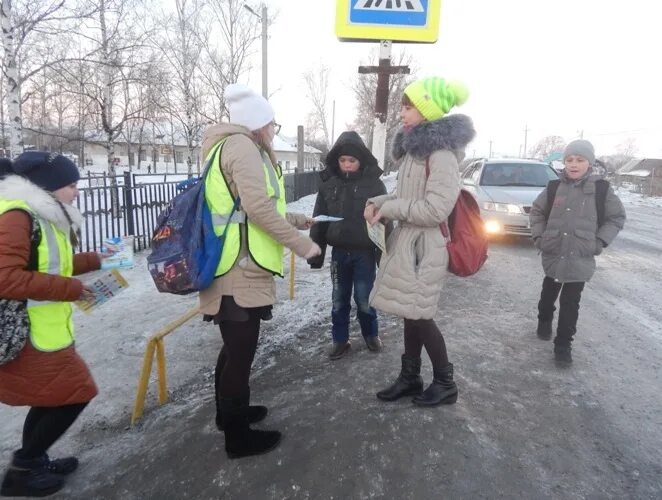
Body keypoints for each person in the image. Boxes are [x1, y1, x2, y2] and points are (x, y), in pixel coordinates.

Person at [199, 84, 321, 459]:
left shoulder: (226, 146)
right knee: (241, 352)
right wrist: (306, 247)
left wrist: (300, 220)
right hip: (240, 266)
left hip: (234, 263)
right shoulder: (243, 148)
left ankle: (228, 415)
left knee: (234, 349)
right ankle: (237, 437)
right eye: (271, 123)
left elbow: (249, 207)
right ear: (257, 124)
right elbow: (258, 211)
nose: (273, 130)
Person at [364, 77, 475, 407]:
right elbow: (407, 196)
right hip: (409, 241)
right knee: (410, 313)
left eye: (409, 106)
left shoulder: (440, 155)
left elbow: (436, 208)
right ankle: (410, 377)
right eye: (402, 105)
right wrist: (378, 202)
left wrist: (390, 207)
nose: (402, 112)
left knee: (421, 315)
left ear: (428, 109)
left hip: (425, 247)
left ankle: (445, 382)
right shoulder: (416, 152)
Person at [0, 152, 101, 497]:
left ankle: (34, 459)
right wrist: (72, 289)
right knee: (77, 393)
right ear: (48, 186)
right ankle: (22, 469)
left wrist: (97, 259)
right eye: (71, 185)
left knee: (49, 398)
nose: (76, 192)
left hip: (47, 328)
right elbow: (6, 278)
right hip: (26, 332)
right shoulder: (17, 216)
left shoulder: (41, 216)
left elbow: (50, 265)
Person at [530, 140, 625, 366]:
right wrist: (539, 237)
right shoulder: (553, 187)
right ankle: (544, 320)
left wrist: (600, 240)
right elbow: (537, 212)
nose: (574, 164)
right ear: (564, 163)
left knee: (571, 303)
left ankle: (563, 345)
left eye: (580, 160)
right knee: (547, 296)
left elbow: (616, 217)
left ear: (589, 163)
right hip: (554, 252)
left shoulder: (602, 189)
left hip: (581, 256)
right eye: (569, 160)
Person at [308, 131, 388, 360]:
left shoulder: (375, 185)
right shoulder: (328, 184)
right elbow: (319, 219)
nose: (346, 165)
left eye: (351, 161)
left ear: (360, 160)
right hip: (339, 254)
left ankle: (371, 334)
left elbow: (383, 222)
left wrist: (384, 257)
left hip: (364, 253)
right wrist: (316, 252)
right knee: (338, 298)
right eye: (342, 160)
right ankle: (340, 340)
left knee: (364, 298)